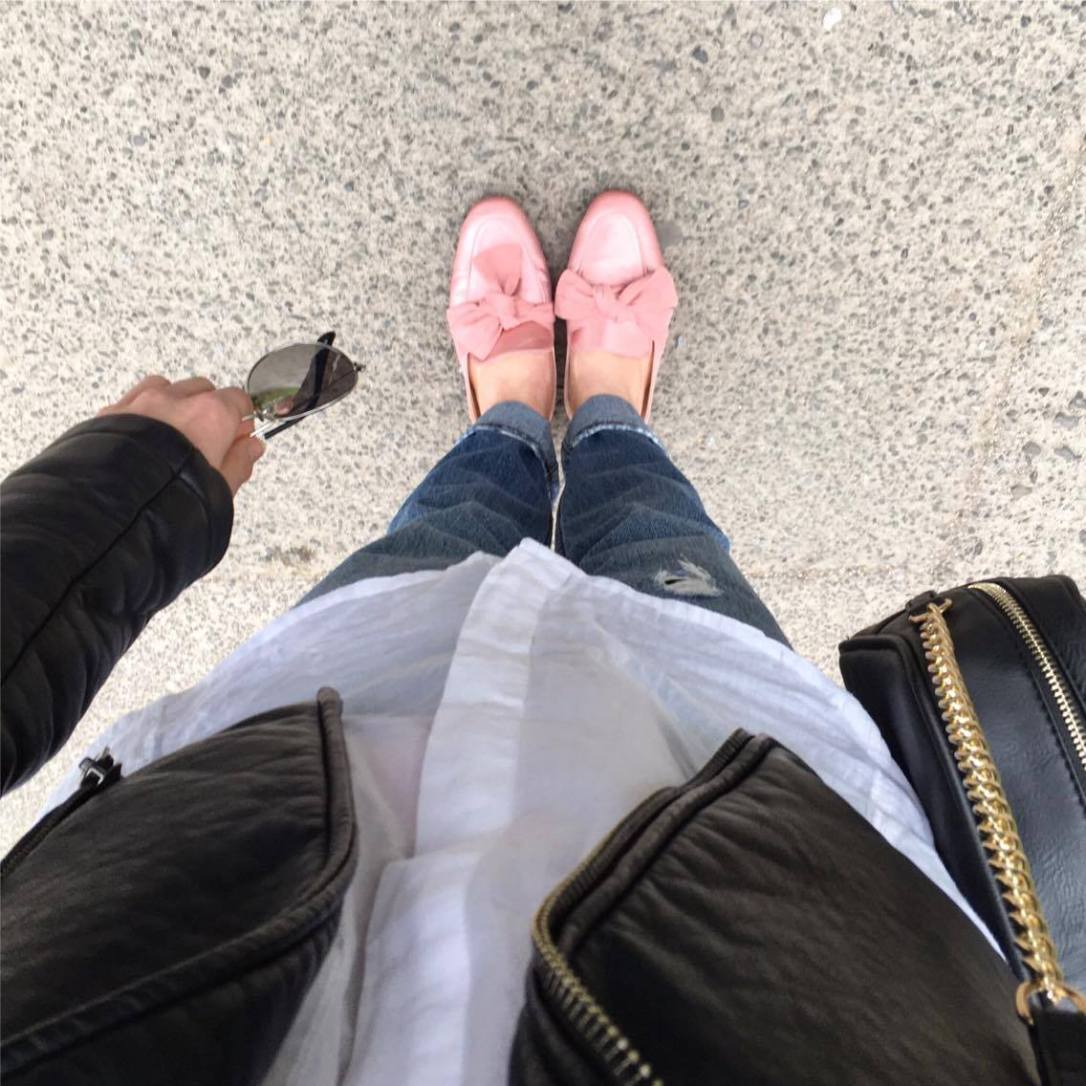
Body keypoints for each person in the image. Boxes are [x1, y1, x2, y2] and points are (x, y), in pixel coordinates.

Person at [0, 194, 1034, 1084]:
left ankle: (510, 421)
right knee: (658, 540)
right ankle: (608, 412)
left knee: (445, 533)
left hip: (286, 779)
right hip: (756, 870)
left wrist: (117, 498)